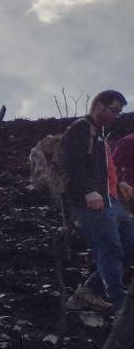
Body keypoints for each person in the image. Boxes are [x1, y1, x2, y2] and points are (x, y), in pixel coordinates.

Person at [63, 89, 133, 312]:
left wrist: (119, 182)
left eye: (119, 112)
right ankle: (120, 305)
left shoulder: (100, 134)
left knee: (129, 245)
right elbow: (72, 162)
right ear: (98, 105)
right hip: (93, 204)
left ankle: (87, 291)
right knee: (110, 250)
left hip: (112, 202)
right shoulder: (80, 128)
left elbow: (105, 168)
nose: (116, 115)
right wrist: (88, 191)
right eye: (114, 110)